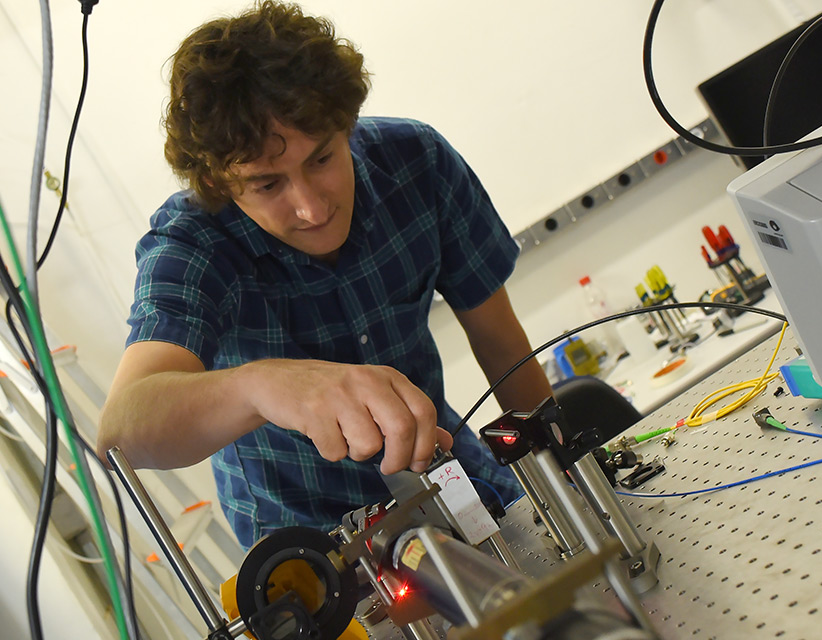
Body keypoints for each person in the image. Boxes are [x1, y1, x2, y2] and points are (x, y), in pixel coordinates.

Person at [96, 0, 553, 549]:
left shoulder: (418, 162)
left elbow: (501, 342)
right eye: (268, 185)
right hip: (312, 548)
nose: (311, 208)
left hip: (448, 474)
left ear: (346, 123)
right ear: (219, 182)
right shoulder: (192, 241)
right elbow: (121, 431)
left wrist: (559, 464)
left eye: (321, 159)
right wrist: (262, 386)